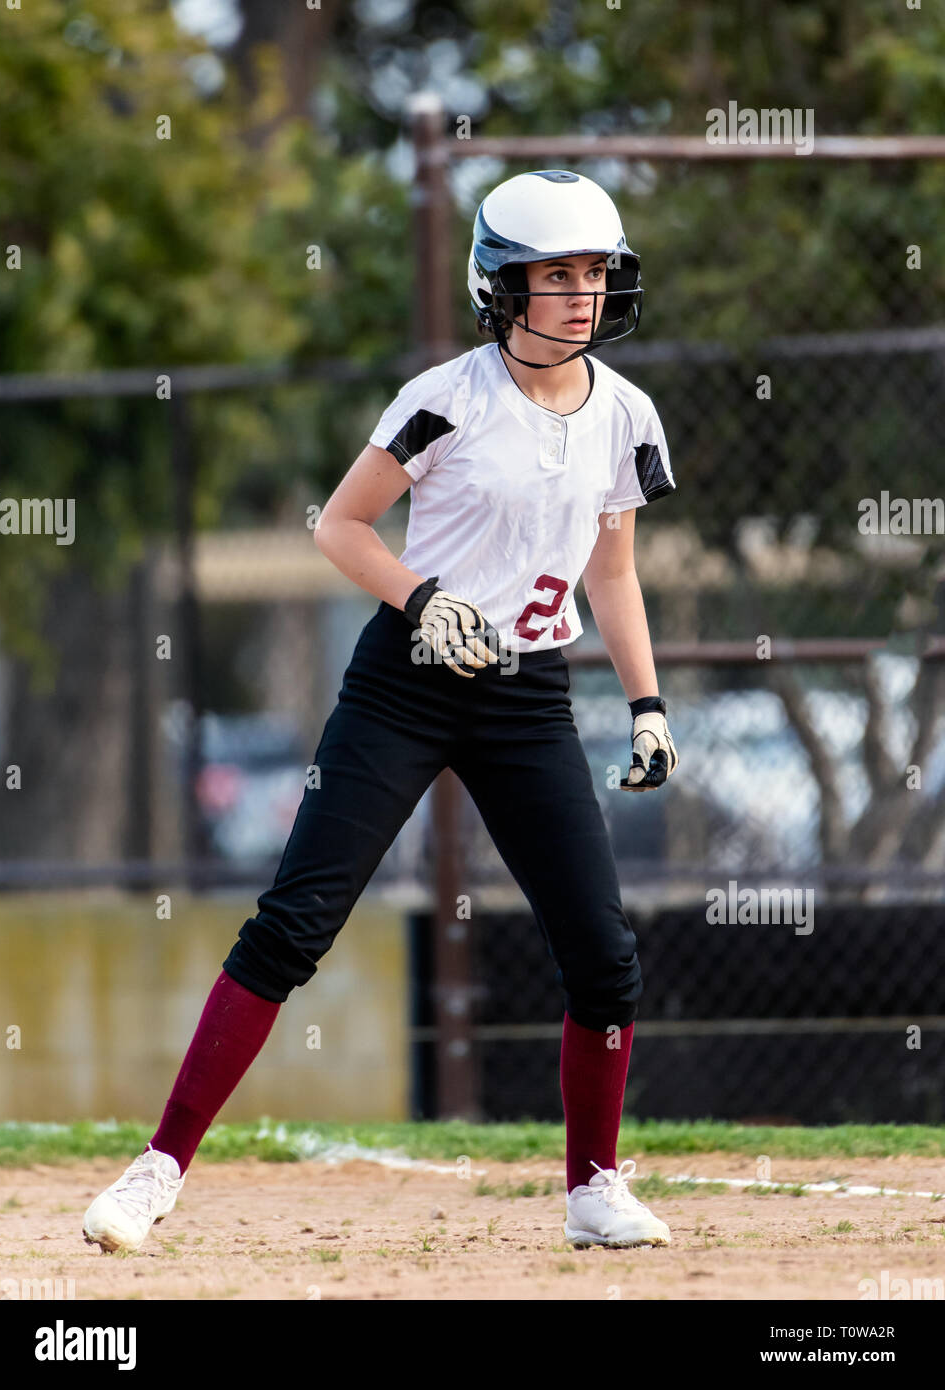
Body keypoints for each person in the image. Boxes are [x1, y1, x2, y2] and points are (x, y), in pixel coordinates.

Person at [82, 168, 678, 1256]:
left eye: (597, 271)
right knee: (294, 924)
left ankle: (593, 1186)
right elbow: (341, 525)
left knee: (603, 957)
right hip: (408, 678)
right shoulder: (446, 395)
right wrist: (425, 597)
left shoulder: (625, 415)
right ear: (501, 285)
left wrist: (646, 704)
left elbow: (615, 575)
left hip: (529, 695)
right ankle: (155, 1169)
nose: (584, 293)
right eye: (559, 273)